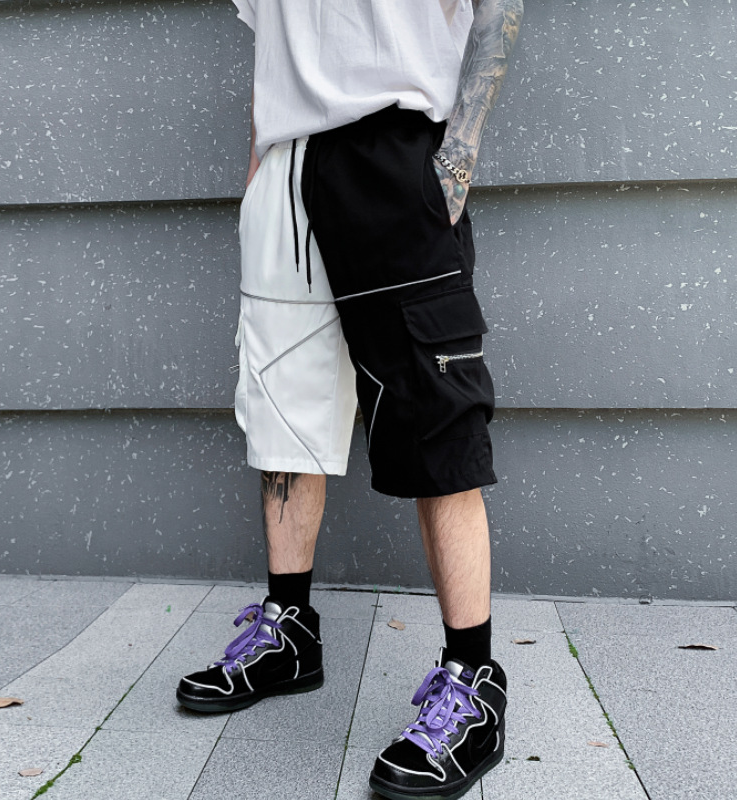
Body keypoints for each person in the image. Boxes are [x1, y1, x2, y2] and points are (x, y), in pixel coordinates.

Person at [177, 1, 523, 797]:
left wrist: (458, 154)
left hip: (395, 155)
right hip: (285, 168)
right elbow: (277, 41)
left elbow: (499, 8)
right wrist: (258, 174)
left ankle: (473, 682)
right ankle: (288, 634)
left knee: (435, 418)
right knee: (280, 410)